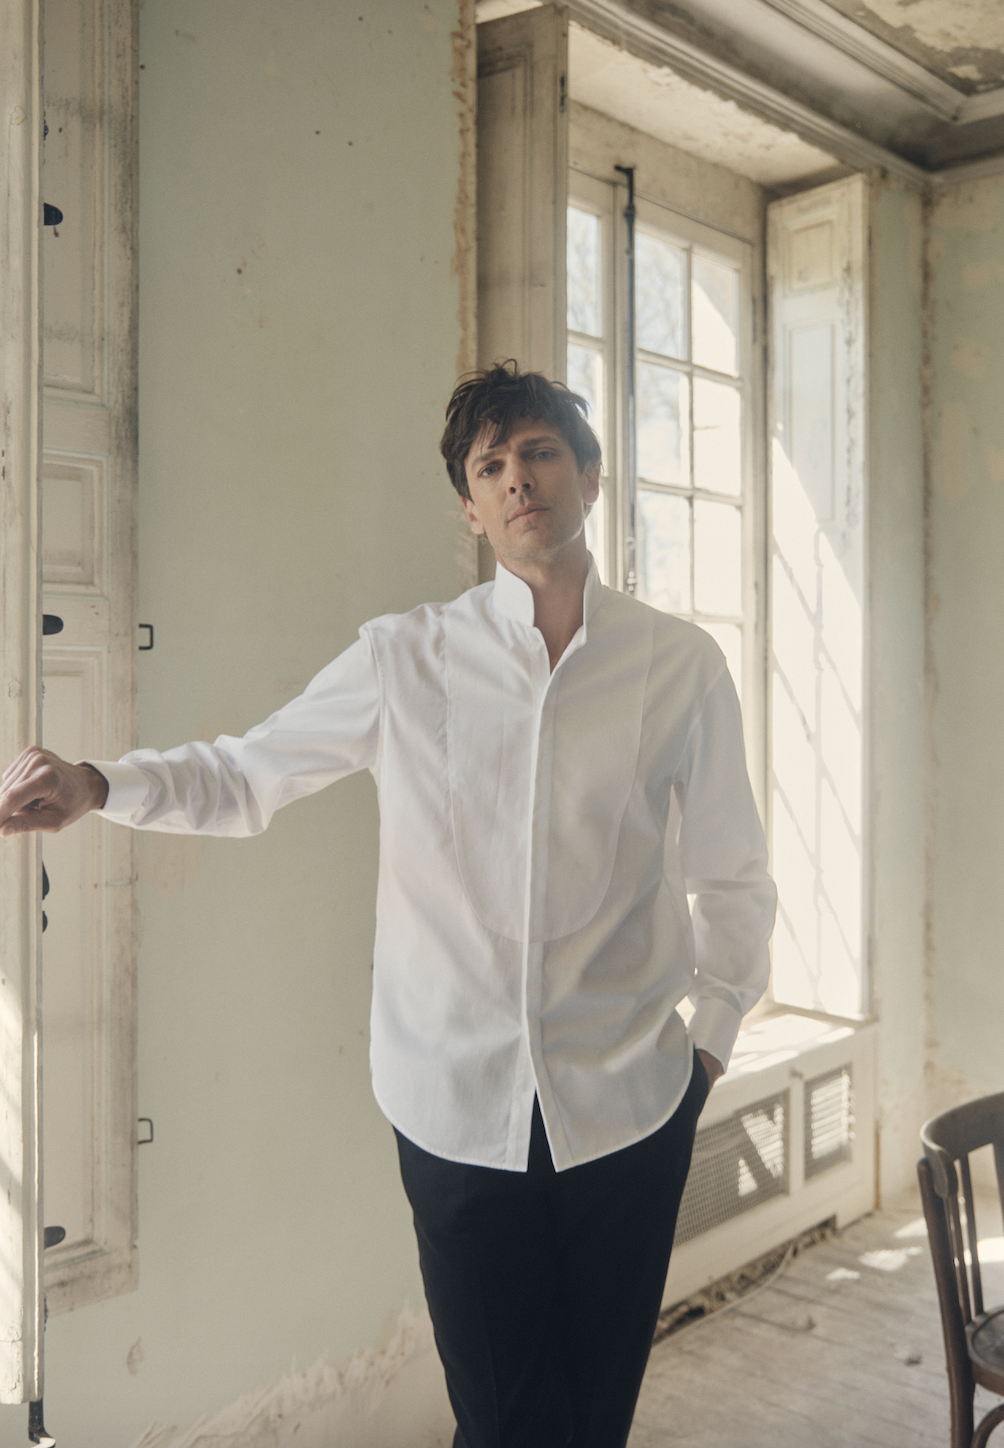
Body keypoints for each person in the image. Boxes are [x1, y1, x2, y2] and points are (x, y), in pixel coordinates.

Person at [0, 362, 776, 1448]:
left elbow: (731, 876)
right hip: (454, 1111)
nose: (518, 479)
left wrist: (705, 1048)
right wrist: (98, 782)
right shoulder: (404, 657)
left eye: (540, 451)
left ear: (590, 474)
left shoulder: (678, 666)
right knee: (506, 1421)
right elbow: (244, 774)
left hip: (632, 1111)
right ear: (468, 506)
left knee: (589, 1421)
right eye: (489, 464)